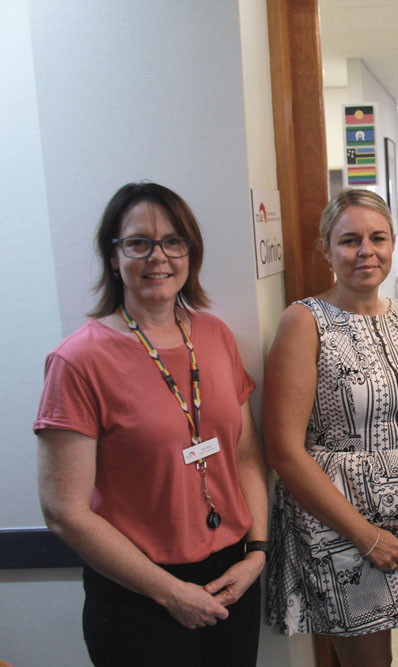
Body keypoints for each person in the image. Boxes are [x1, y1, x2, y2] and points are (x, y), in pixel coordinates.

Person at [34, 182, 269, 667]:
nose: (157, 256)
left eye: (173, 241)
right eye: (138, 242)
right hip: (139, 593)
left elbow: (244, 454)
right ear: (113, 255)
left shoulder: (215, 334)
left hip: (232, 578)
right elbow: (64, 512)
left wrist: (257, 553)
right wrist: (169, 593)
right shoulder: (78, 361)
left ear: (190, 253)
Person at [264, 189, 398, 666]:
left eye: (378, 238)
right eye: (350, 240)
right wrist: (364, 535)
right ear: (326, 249)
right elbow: (284, 450)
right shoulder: (305, 322)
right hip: (341, 530)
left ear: (393, 244)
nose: (366, 251)